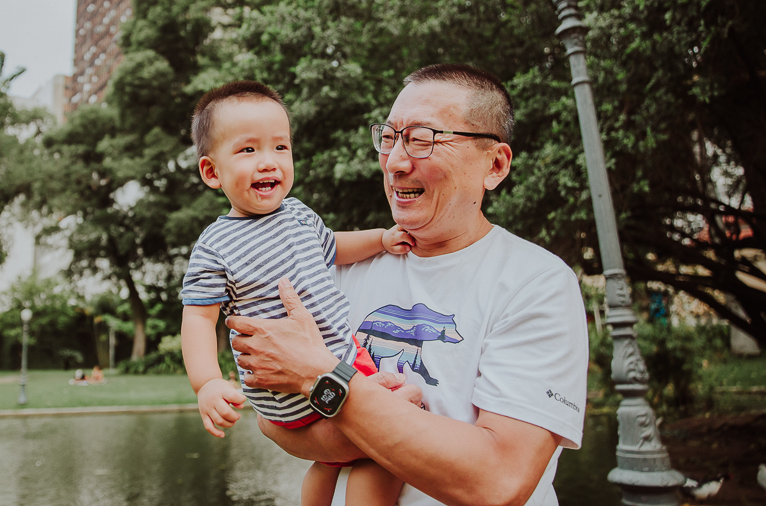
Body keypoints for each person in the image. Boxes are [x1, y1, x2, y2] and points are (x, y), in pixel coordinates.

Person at [227, 64, 589, 506]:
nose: (396, 162)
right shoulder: (332, 270)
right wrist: (371, 416)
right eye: (390, 137)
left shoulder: (537, 282)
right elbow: (274, 420)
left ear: (494, 165)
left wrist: (320, 377)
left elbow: (498, 480)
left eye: (422, 139)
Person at [181, 81, 415, 506]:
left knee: (328, 464)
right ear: (212, 172)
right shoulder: (215, 245)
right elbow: (198, 318)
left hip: (328, 375)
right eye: (248, 150)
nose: (268, 162)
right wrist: (207, 384)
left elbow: (335, 247)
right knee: (396, 423)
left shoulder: (298, 214)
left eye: (280, 148)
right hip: (301, 386)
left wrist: (380, 239)